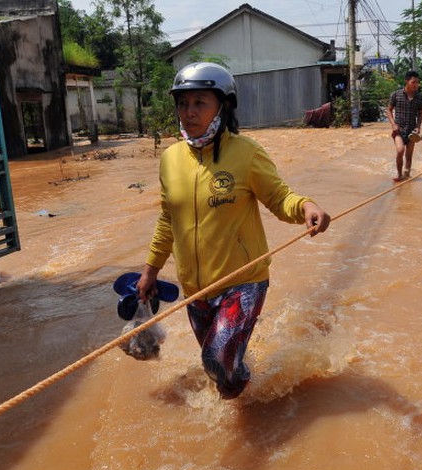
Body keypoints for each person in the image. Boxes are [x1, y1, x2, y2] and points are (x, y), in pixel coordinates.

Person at [136, 62, 331, 399]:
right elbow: (168, 219)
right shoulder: (170, 159)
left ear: (223, 106)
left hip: (242, 282)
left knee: (215, 359)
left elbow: (279, 197)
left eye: (200, 103)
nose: (189, 112)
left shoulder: (247, 153)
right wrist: (150, 270)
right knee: (221, 376)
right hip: (195, 289)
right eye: (183, 103)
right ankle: (249, 399)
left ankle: (253, 396)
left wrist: (305, 207)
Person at [387, 70, 422, 182]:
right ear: (407, 81)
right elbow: (389, 111)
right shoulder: (396, 94)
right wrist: (393, 124)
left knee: (409, 156)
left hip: (411, 130)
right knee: (400, 150)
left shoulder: (419, 98)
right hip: (398, 129)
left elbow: (420, 115)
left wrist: (418, 127)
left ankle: (407, 175)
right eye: (413, 82)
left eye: (417, 82)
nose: (416, 85)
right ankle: (399, 175)